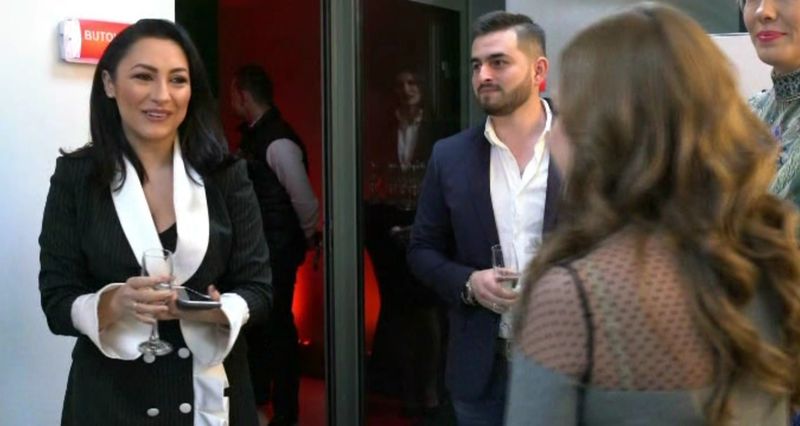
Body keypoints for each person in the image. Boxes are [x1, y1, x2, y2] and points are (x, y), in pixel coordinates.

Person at [506, 4, 800, 425]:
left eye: (566, 114)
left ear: (610, 134)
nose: (551, 136)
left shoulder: (575, 298)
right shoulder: (769, 265)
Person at [38, 19, 272, 426]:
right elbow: (56, 301)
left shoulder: (225, 175)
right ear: (109, 84)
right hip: (111, 402)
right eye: (143, 76)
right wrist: (112, 303)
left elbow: (260, 291)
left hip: (213, 396)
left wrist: (217, 311)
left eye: (178, 80)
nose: (162, 95)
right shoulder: (77, 177)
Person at [407, 11, 560, 425]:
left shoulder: (590, 146)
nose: (483, 75)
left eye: (499, 62)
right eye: (476, 65)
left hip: (569, 364)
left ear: (539, 71)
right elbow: (421, 250)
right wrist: (469, 283)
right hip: (481, 370)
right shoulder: (450, 156)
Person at [231, 64, 319, 426]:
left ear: (243, 95)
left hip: (276, 250)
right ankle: (262, 402)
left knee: (278, 328)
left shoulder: (277, 141)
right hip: (262, 249)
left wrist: (308, 236)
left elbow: (304, 201)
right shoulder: (257, 136)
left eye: (234, 94)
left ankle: (285, 412)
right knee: (261, 328)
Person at [364, 69, 451, 422]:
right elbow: (372, 175)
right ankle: (406, 391)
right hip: (387, 226)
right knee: (397, 309)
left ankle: (430, 389)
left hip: (427, 224)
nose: (406, 89)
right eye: (399, 83)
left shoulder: (439, 130)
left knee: (427, 311)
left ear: (423, 89)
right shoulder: (381, 129)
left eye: (412, 82)